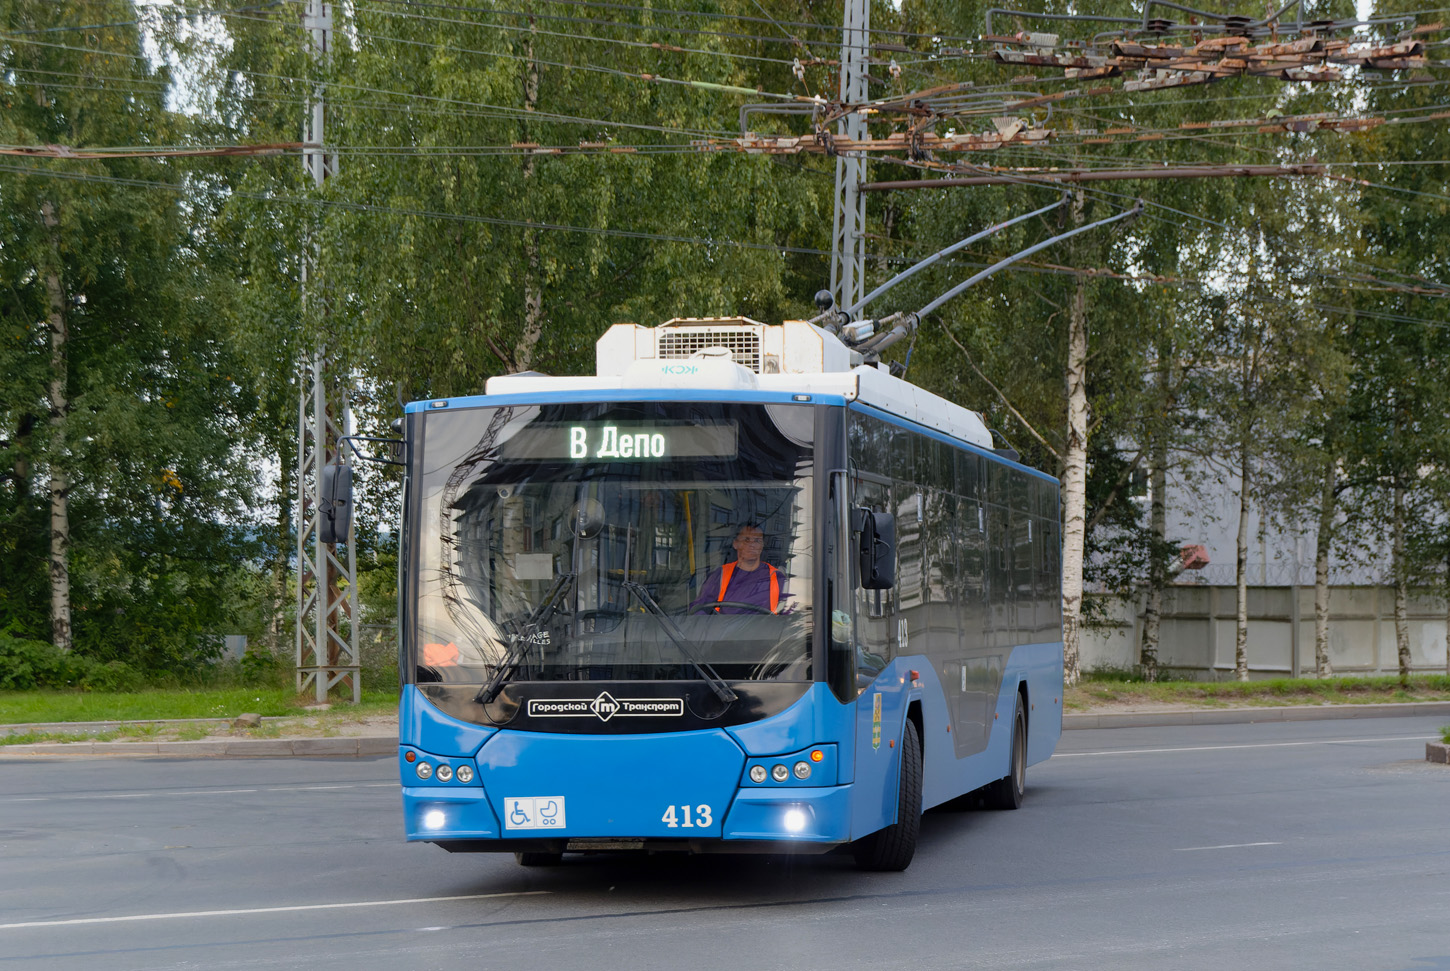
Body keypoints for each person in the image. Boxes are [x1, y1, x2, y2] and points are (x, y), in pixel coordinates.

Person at [690, 524, 786, 614]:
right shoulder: (720, 574)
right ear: (735, 544)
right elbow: (700, 609)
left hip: (766, 630)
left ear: (762, 545)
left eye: (757, 540)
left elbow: (786, 613)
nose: (752, 544)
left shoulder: (776, 577)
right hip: (724, 630)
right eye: (747, 540)